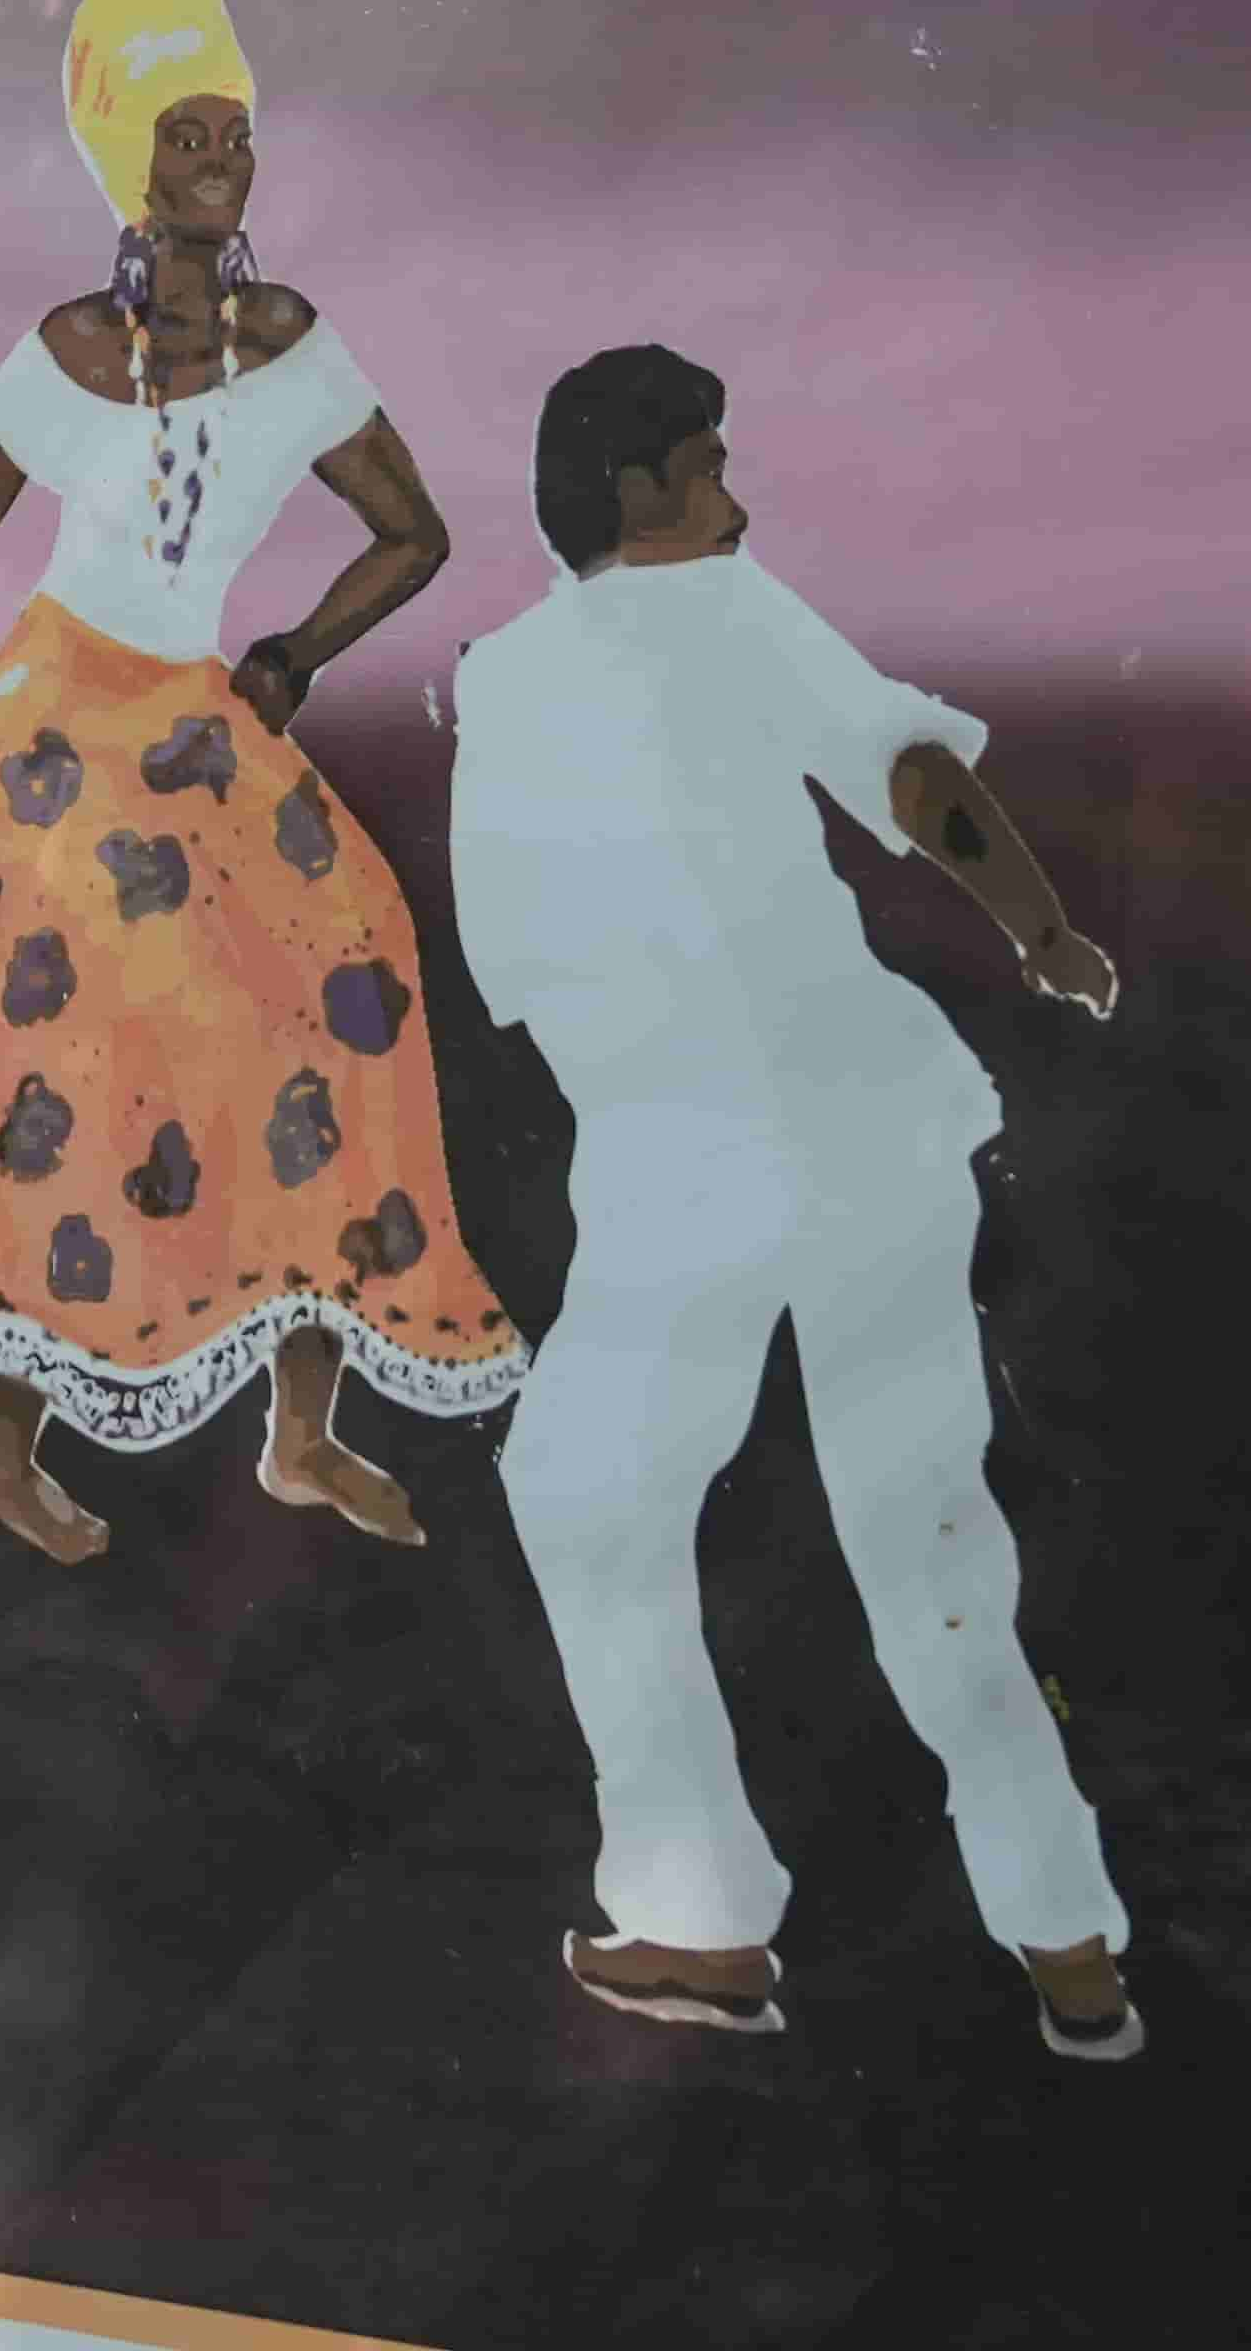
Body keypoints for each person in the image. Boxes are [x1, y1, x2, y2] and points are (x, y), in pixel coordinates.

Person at [0, 0, 527, 1565]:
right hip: (41, 727)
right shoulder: (68, 351)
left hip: (184, 714)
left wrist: (295, 656)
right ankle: (6, 1444)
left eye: (235, 130)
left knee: (347, 956)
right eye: (184, 135)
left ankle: (300, 1436)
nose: (220, 159)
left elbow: (417, 534)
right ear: (126, 163)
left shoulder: (296, 346)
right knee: (61, 1041)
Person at [451, 340, 1141, 2064]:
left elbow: (517, 973)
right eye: (709, 465)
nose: (738, 498)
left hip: (694, 1150)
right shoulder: (739, 620)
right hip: (868, 1124)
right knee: (926, 1534)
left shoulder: (509, 680)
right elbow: (918, 786)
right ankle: (1068, 1948)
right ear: (633, 491)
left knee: (590, 1501)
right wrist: (1042, 935)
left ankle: (695, 1920)